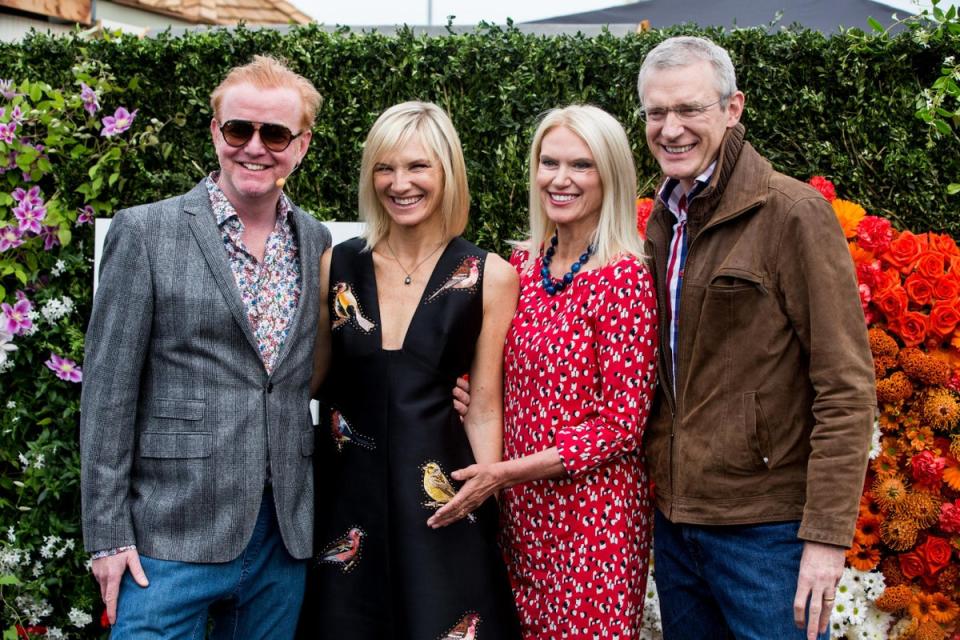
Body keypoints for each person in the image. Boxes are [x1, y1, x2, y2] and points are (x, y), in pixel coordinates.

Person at [79, 55, 331, 638]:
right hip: (167, 537)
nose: (255, 147)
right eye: (238, 129)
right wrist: (108, 536)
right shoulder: (145, 232)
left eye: (275, 133)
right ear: (215, 131)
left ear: (302, 146)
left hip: (281, 541)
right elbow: (108, 393)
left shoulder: (317, 242)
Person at [636, 36, 875, 640]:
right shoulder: (664, 218)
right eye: (656, 113)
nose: (671, 128)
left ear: (732, 108)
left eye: (689, 109)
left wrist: (825, 537)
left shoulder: (791, 213)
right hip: (678, 522)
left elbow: (845, 386)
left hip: (766, 533)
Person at [430, 105, 658, 638]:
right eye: (548, 163)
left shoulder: (624, 277)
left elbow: (622, 426)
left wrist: (504, 473)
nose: (560, 179)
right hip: (520, 514)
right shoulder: (523, 268)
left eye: (581, 165)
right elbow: (499, 372)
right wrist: (468, 392)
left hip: (593, 519)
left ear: (610, 176)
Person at [306, 101, 522, 639]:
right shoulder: (337, 263)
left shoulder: (490, 275)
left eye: (417, 166)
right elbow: (309, 380)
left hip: (442, 506)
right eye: (385, 167)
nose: (399, 183)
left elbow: (486, 405)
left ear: (447, 172)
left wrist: (481, 498)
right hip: (345, 500)